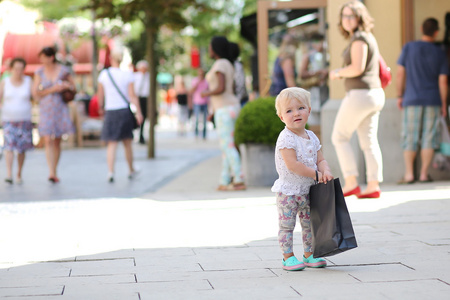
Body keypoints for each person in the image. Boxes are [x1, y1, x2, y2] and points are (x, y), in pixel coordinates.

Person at [271, 87, 333, 271]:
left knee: (309, 225)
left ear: (309, 110)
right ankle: (287, 256)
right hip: (288, 191)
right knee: (287, 225)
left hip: (308, 191)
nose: (296, 113)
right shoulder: (286, 138)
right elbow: (293, 165)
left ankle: (309, 254)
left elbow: (320, 159)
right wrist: (315, 175)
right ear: (282, 117)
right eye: (289, 111)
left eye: (300, 108)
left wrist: (326, 170)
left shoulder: (312, 136)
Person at [329, 1, 385, 199]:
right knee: (368, 141)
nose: (347, 20)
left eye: (351, 15)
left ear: (360, 18)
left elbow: (357, 68)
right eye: (344, 16)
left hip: (361, 94)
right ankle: (373, 184)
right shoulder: (366, 37)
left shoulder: (359, 38)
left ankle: (351, 182)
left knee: (339, 137)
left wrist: (337, 73)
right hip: (373, 94)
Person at [396, 18, 449, 184]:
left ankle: (409, 174)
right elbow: (443, 82)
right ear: (436, 32)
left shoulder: (409, 47)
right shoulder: (440, 53)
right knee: (429, 138)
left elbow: (400, 73)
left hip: (411, 99)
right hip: (433, 100)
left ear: (421, 28)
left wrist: (400, 95)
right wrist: (443, 104)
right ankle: (424, 174)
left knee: (410, 137)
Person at [201, 36, 245, 191]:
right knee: (227, 145)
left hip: (224, 109)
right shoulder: (228, 64)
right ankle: (225, 179)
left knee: (227, 145)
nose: (209, 49)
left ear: (216, 48)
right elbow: (229, 88)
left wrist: (205, 93)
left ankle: (238, 178)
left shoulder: (220, 64)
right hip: (229, 106)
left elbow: (220, 88)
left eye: (210, 46)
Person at [97, 49, 144, 183]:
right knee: (127, 143)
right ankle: (131, 169)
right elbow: (133, 96)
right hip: (124, 110)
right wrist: (139, 112)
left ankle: (111, 172)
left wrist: (100, 108)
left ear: (111, 59)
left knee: (111, 144)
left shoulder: (104, 75)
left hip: (110, 111)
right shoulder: (127, 75)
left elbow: (100, 95)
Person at [32, 47, 76, 183]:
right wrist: (53, 89)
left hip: (60, 108)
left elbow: (74, 87)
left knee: (57, 140)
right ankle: (51, 171)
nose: (42, 60)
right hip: (46, 108)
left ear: (51, 57)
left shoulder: (63, 71)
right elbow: (35, 94)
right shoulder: (39, 72)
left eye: (44, 57)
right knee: (47, 139)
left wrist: (66, 87)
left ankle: (55, 170)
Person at [0, 58, 33, 184]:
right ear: (11, 69)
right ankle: (9, 174)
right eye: (16, 69)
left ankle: (19, 173)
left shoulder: (28, 81)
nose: (18, 72)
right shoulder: (5, 81)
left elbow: (35, 96)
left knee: (21, 149)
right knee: (9, 147)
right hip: (9, 119)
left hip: (24, 119)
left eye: (21, 69)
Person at [189, 68, 209, 139]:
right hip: (197, 102)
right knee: (196, 119)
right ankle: (196, 134)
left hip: (205, 102)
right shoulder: (195, 80)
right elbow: (191, 91)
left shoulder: (206, 82)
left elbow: (208, 92)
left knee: (204, 120)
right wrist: (198, 83)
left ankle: (204, 135)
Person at [133, 60, 150, 144]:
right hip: (138, 98)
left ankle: (141, 134)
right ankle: (137, 133)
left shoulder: (148, 77)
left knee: (144, 116)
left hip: (146, 98)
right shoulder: (136, 77)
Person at [229, 42, 249, 107]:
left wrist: (236, 101)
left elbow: (240, 84)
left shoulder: (237, 66)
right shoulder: (234, 65)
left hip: (240, 102)